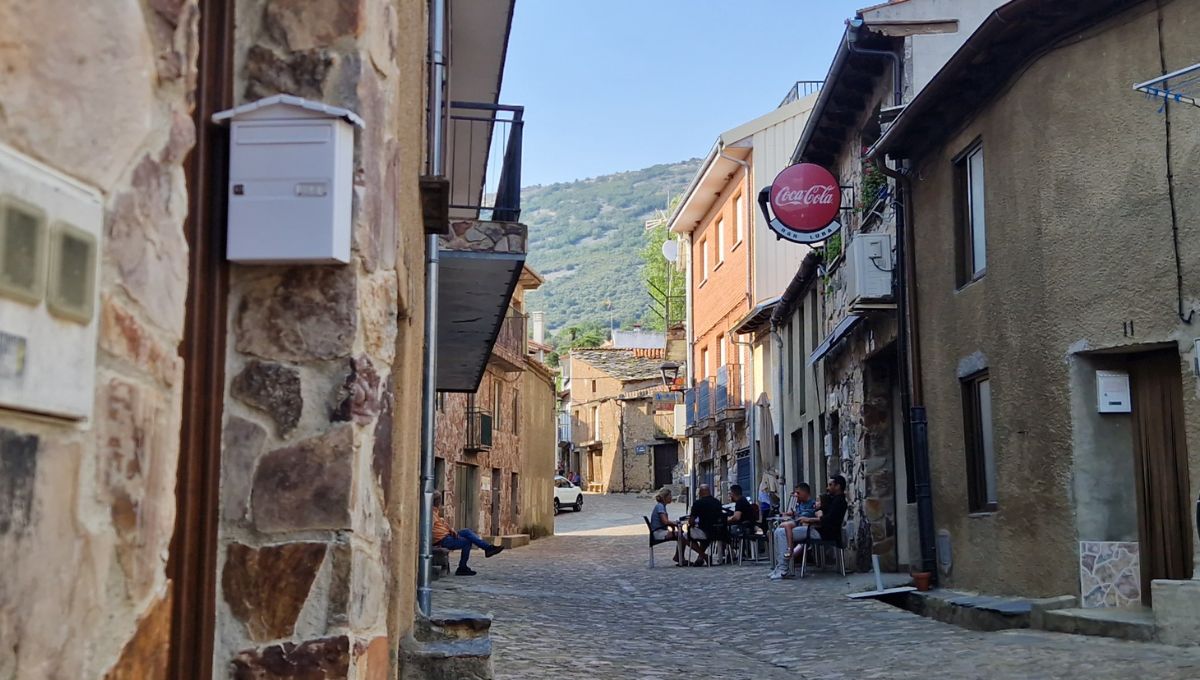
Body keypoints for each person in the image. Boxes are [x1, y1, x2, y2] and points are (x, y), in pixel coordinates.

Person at [769, 475, 848, 579]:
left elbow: (828, 520)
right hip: (816, 529)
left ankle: (784, 569)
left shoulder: (839, 502)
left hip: (822, 532)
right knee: (778, 531)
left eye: (830, 485)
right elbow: (820, 513)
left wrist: (809, 519)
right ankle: (780, 566)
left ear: (838, 486)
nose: (828, 487)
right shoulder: (831, 499)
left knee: (782, 532)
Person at [433, 492, 504, 576]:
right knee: (467, 542)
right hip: (442, 540)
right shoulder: (430, 513)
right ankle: (462, 567)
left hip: (447, 535)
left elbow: (442, 524)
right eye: (438, 500)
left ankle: (488, 548)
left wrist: (450, 530)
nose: (440, 503)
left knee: (466, 531)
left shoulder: (435, 512)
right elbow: (431, 529)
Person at [649, 487, 694, 565]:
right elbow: (665, 521)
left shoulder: (661, 506)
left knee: (681, 534)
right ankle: (682, 557)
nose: (671, 498)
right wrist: (676, 524)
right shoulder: (660, 507)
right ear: (665, 497)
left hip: (660, 531)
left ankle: (679, 556)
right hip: (658, 532)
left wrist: (674, 524)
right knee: (682, 535)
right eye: (670, 496)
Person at [687, 484, 726, 566]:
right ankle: (700, 558)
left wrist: (694, 524)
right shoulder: (717, 502)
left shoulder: (698, 503)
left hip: (705, 532)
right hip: (719, 532)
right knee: (704, 535)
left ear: (700, 493)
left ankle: (704, 556)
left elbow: (691, 521)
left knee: (684, 536)